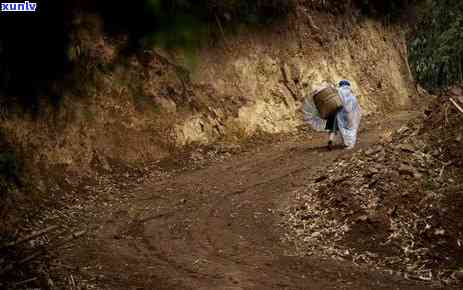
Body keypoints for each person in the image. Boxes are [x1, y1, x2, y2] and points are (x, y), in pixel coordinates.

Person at [303, 80, 361, 150]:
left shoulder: (337, 91)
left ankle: (330, 140)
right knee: (344, 128)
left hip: (331, 112)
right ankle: (346, 143)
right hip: (340, 113)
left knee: (332, 129)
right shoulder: (348, 93)